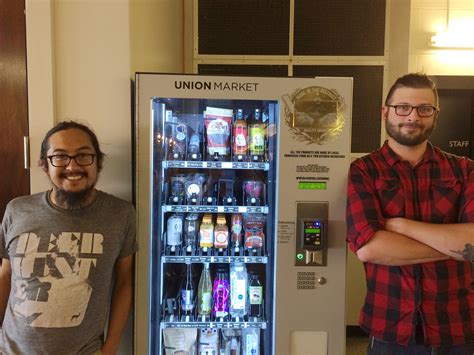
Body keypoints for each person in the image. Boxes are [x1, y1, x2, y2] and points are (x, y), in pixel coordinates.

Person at [346, 73, 474, 354]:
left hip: (456, 328)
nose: (413, 117)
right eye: (402, 107)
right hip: (390, 328)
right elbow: (370, 249)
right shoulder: (364, 171)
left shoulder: (464, 170)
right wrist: (454, 246)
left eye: (424, 109)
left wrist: (401, 226)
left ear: (435, 115)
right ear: (385, 113)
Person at [0, 121, 137, 355]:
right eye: (60, 157)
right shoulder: (17, 210)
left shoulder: (120, 214)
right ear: (45, 165)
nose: (73, 166)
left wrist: (111, 347)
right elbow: (6, 273)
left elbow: (125, 282)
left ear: (98, 162)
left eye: (83, 155)